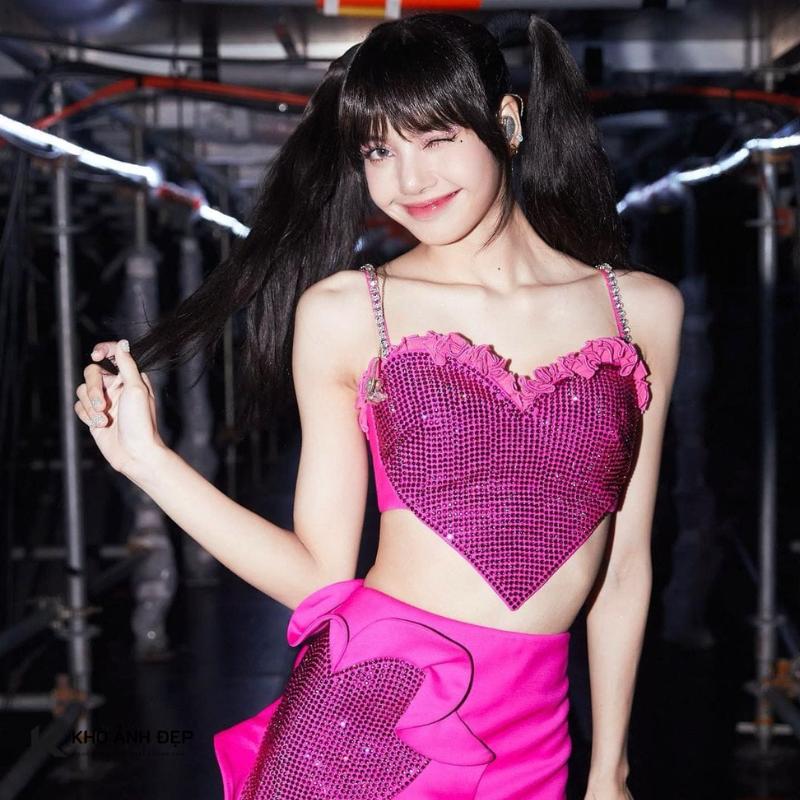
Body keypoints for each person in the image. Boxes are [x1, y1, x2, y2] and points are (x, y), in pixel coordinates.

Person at [73, 11, 683, 800]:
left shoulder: (640, 311)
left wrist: (611, 771)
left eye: (435, 139)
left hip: (536, 741)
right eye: (379, 150)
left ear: (506, 123)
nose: (409, 180)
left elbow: (624, 566)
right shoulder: (350, 312)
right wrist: (146, 462)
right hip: (364, 732)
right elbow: (316, 575)